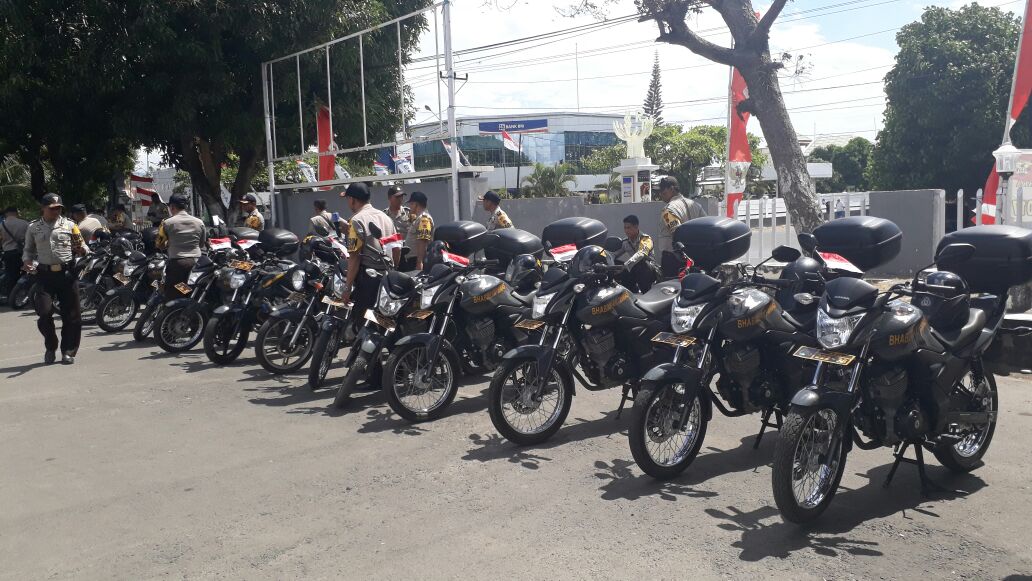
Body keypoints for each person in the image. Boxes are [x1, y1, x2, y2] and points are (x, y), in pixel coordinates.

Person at [23, 194, 87, 364]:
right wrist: (27, 262)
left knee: (72, 316)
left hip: (67, 274)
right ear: (43, 208)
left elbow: (83, 246)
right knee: (44, 314)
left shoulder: (70, 225)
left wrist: (82, 249)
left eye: (58, 208)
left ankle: (68, 351)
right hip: (44, 275)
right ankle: (51, 346)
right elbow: (28, 250)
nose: (56, 211)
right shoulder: (34, 228)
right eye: (52, 208)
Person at [339, 183, 398, 325]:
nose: (348, 203)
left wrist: (347, 288)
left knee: (360, 322)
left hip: (367, 280)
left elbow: (354, 257)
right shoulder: (385, 217)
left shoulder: (357, 220)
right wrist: (392, 270)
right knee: (381, 321)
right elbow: (397, 249)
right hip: (387, 278)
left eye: (347, 199)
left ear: (353, 200)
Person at [155, 195, 207, 300]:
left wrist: (167, 245)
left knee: (175, 291)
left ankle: (175, 312)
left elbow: (159, 244)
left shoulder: (167, 223)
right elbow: (201, 244)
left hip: (177, 264)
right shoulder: (199, 222)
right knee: (192, 290)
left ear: (172, 207)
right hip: (196, 263)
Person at [657, 176, 706, 277]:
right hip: (696, 256)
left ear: (672, 189)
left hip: (674, 258)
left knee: (669, 289)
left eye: (663, 191)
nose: (660, 194)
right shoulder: (696, 205)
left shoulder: (669, 209)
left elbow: (676, 233)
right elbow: (706, 226)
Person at [614, 215, 659, 293]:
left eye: (629, 228)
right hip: (635, 269)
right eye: (625, 228)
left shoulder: (646, 239)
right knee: (615, 264)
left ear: (636, 227)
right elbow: (614, 254)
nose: (626, 231)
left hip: (650, 270)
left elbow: (641, 253)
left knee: (641, 264)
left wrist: (626, 265)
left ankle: (647, 293)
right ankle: (629, 294)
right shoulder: (625, 242)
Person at [1, 206, 29, 297]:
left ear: (6, 213)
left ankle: (11, 295)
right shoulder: (24, 223)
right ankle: (25, 293)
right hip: (23, 253)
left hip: (8, 253)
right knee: (26, 273)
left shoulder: (2, 225)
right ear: (16, 212)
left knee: (10, 275)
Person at [406, 191, 434, 271]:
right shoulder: (418, 218)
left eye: (411, 204)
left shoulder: (424, 219)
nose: (409, 207)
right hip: (412, 259)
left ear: (416, 204)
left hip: (416, 260)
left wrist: (419, 262)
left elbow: (423, 241)